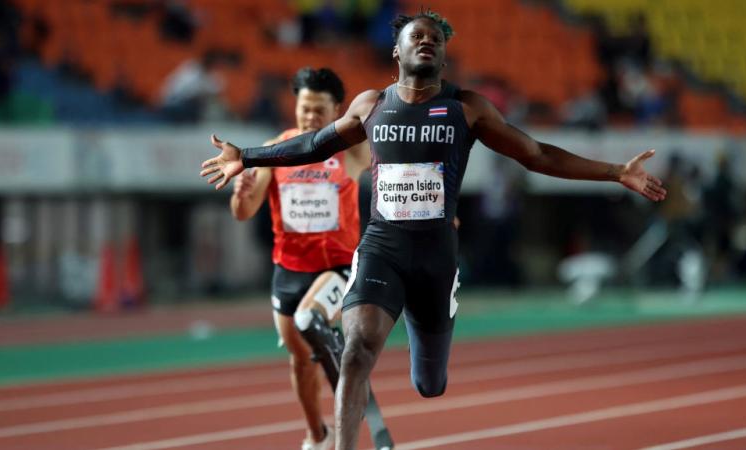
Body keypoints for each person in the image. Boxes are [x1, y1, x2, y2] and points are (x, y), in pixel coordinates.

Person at [201, 11, 667, 450]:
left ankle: (430, 335)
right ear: (397, 54)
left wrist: (615, 172)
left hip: (436, 258)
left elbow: (536, 153)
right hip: (382, 247)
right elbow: (316, 144)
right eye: (416, 36)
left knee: (430, 384)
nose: (426, 41)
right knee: (357, 349)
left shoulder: (467, 108)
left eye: (435, 39)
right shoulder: (371, 105)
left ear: (443, 57)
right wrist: (249, 154)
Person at [229, 67, 369, 450]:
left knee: (312, 317)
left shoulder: (352, 150)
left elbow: (392, 160)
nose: (310, 117)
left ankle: (349, 416)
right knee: (300, 359)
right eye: (304, 108)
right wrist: (241, 193)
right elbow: (244, 211)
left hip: (338, 266)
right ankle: (318, 436)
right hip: (288, 270)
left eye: (319, 110)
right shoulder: (275, 149)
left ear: (337, 109)